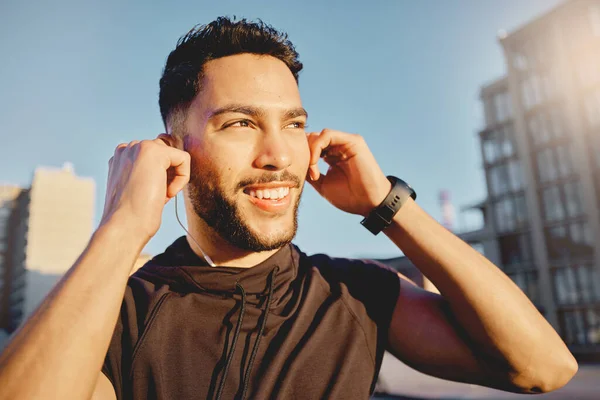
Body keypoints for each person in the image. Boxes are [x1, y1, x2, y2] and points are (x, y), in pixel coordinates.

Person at [0, 17, 577, 400]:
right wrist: (123, 225)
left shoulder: (353, 294)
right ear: (171, 149)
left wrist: (388, 205)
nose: (280, 155)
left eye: (294, 124)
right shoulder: (118, 312)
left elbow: (544, 368)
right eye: (241, 123)